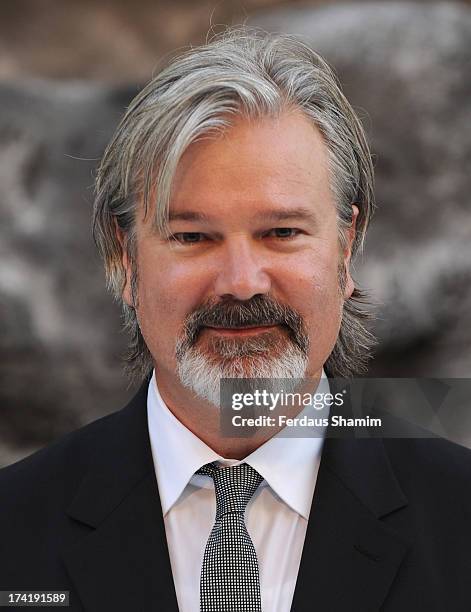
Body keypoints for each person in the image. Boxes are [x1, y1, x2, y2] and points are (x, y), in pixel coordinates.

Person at [0, 27, 470, 612]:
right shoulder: (13, 530)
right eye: (193, 237)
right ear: (124, 260)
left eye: (281, 233)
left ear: (346, 251)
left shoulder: (459, 520)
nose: (242, 282)